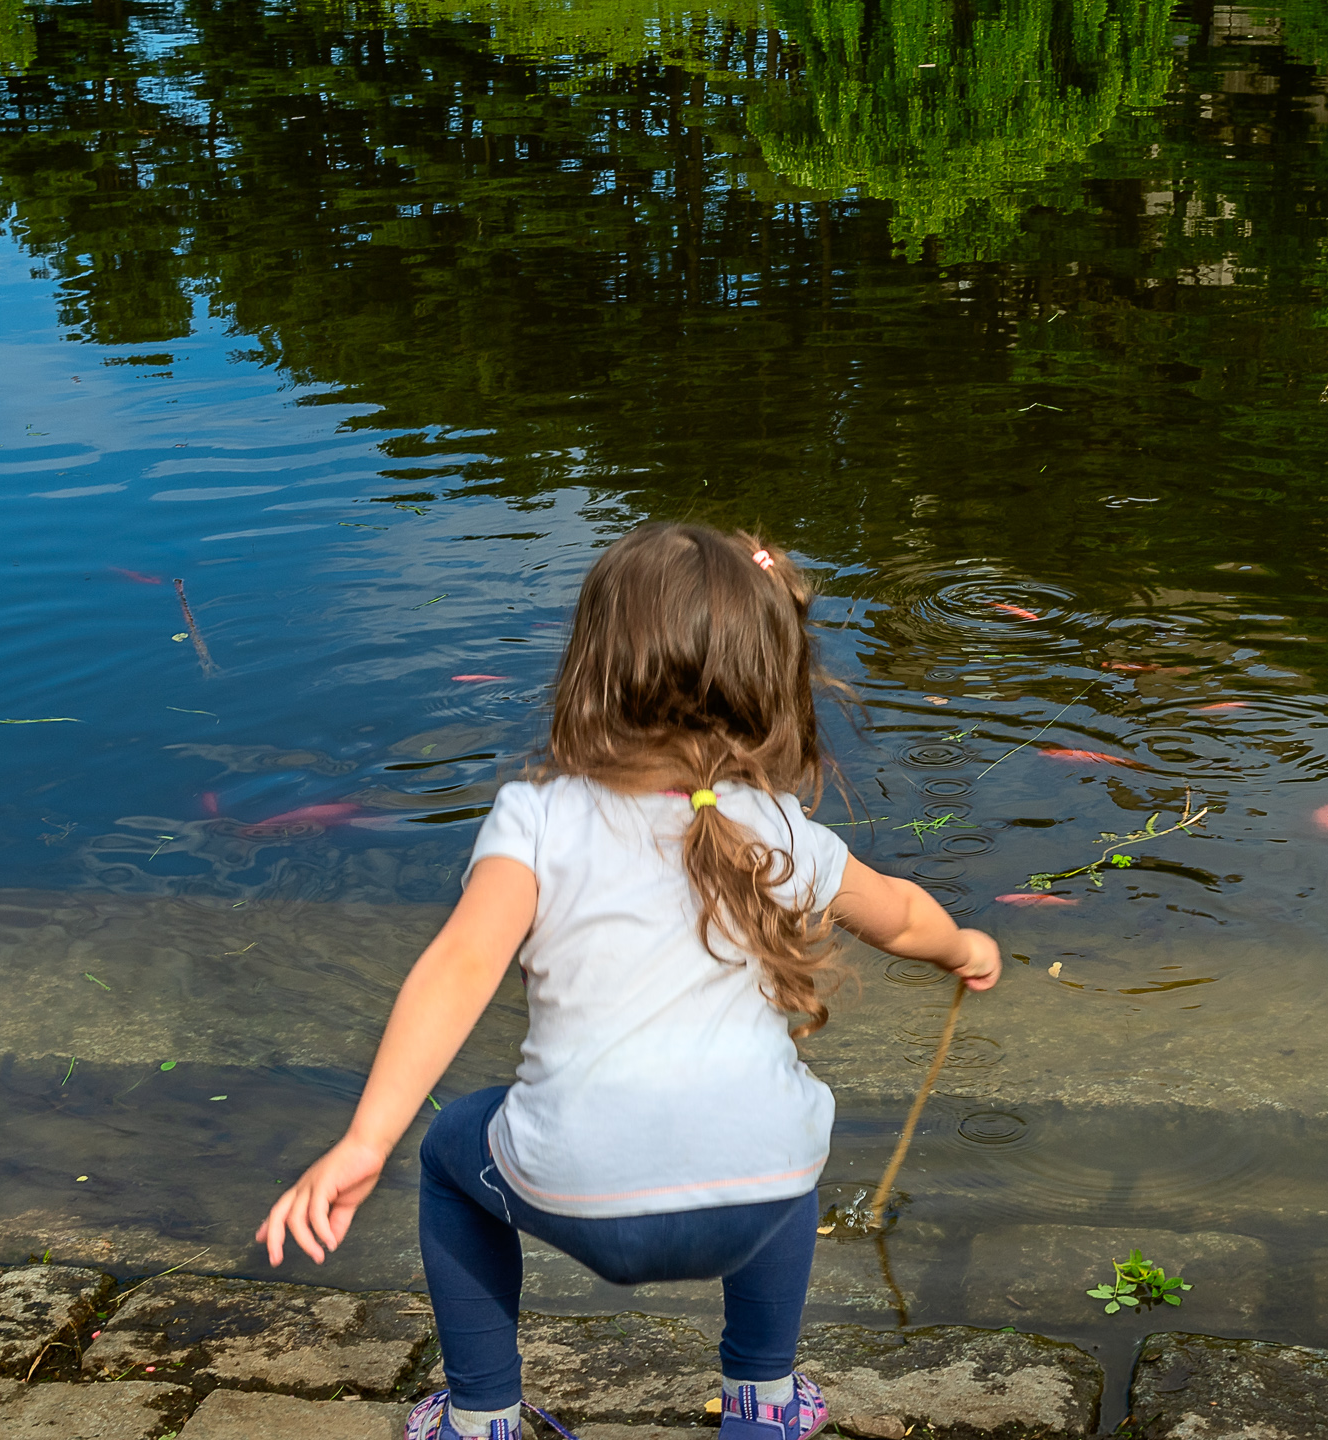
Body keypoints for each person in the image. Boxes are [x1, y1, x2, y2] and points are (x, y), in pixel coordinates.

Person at [257, 523, 1002, 1440]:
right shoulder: (781, 832)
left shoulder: (536, 819)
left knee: (451, 1147)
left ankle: (480, 1414)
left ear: (593, 669)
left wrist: (365, 1141)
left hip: (578, 1197)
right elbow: (901, 916)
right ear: (772, 678)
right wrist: (963, 947)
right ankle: (762, 1402)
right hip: (757, 1199)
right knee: (784, 1124)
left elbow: (457, 967)